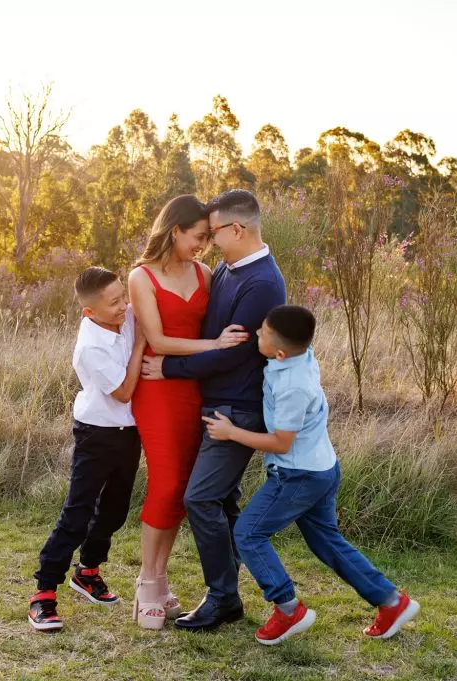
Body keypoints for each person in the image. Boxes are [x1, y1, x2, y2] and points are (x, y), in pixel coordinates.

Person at [203, 305, 420, 645]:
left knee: (248, 533)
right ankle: (391, 602)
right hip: (322, 468)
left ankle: (288, 609)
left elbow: (280, 442)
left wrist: (231, 432)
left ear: (278, 351)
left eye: (262, 332)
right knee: (327, 543)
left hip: (298, 476)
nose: (257, 333)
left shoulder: (293, 386)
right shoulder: (299, 355)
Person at [142, 189, 286, 631]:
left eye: (215, 233)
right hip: (215, 401)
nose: (209, 243)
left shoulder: (262, 282)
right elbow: (212, 334)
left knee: (199, 497)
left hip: (238, 408)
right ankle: (229, 592)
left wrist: (170, 368)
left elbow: (232, 354)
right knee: (220, 498)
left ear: (236, 230)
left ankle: (223, 597)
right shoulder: (228, 269)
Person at [127, 195, 248, 629]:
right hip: (158, 390)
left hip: (194, 389)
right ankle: (147, 585)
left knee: (184, 488)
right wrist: (213, 345)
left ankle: (160, 579)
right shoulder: (141, 276)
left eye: (207, 238)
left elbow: (215, 326)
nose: (203, 245)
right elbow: (158, 341)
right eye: (198, 236)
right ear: (174, 229)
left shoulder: (206, 274)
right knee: (165, 483)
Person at [27, 267, 146, 631]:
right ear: (89, 312)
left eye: (123, 296)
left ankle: (88, 572)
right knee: (77, 514)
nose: (124, 306)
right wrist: (141, 343)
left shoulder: (124, 314)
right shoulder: (90, 347)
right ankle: (44, 593)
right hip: (97, 435)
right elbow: (124, 392)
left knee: (114, 512)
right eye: (115, 303)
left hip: (129, 434)